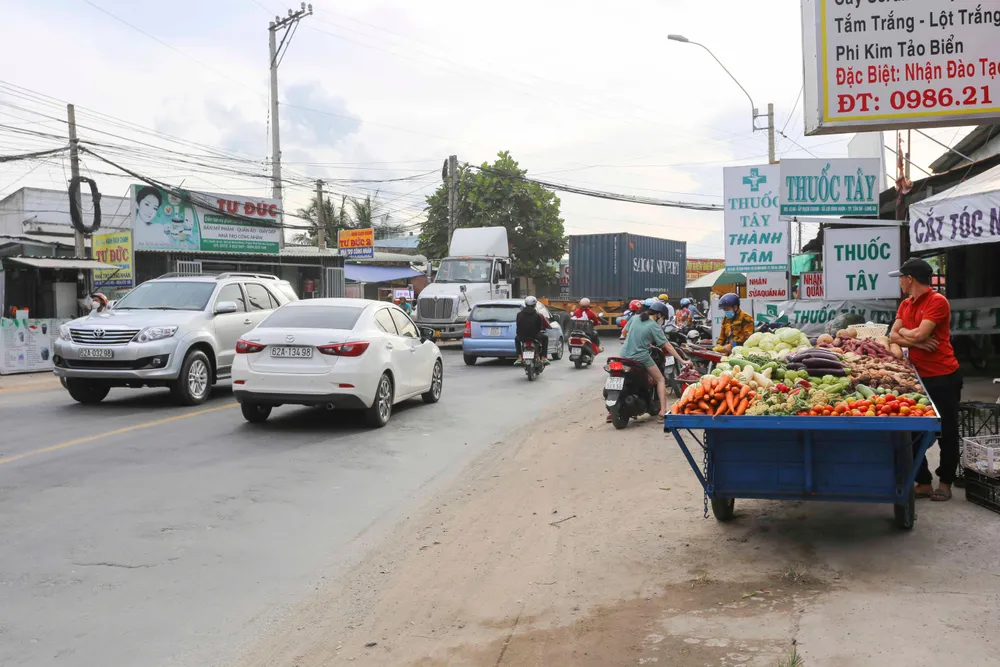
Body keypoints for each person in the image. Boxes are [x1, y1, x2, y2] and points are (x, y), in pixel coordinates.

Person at [888, 258, 962, 502]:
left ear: (910, 278)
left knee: (947, 431)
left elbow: (914, 333)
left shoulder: (937, 301)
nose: (899, 282)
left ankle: (946, 482)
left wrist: (910, 335)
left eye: (901, 277)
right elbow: (892, 336)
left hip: (943, 375)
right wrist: (916, 339)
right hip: (917, 377)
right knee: (911, 432)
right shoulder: (906, 304)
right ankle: (923, 481)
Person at [617, 300, 689, 420]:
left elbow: (624, 332)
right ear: (659, 315)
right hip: (640, 356)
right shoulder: (653, 326)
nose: (662, 321)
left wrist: (633, 340)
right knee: (660, 379)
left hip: (623, 354)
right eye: (663, 318)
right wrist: (682, 360)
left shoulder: (635, 318)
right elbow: (668, 346)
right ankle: (662, 411)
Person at [515, 296, 551, 365]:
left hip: (522, 337)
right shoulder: (538, 315)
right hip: (535, 336)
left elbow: (518, 325)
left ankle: (519, 357)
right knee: (545, 338)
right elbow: (540, 327)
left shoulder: (519, 314)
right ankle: (543, 357)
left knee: (516, 339)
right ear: (534, 305)